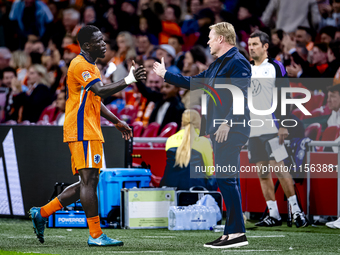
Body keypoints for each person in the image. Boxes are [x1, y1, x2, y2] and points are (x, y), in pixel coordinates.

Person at [29, 25, 146, 246]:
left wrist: (117, 121)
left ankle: (42, 213)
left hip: (88, 128)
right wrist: (129, 80)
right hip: (82, 129)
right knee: (89, 182)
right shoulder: (81, 65)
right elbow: (101, 91)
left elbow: (95, 100)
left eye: (103, 40)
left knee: (89, 181)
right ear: (86, 45)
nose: (104, 44)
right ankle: (95, 235)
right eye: (99, 41)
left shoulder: (90, 66)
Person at [154, 22, 250, 249]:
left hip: (231, 128)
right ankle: (232, 232)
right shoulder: (218, 65)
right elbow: (193, 82)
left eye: (210, 37)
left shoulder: (238, 62)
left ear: (221, 39)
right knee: (227, 180)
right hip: (219, 129)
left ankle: (236, 232)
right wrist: (165, 74)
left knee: (226, 180)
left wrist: (228, 121)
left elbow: (242, 95)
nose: (207, 41)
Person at [247, 31, 308, 228]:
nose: (251, 47)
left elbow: (284, 96)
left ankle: (297, 212)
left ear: (265, 46)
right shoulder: (246, 69)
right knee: (262, 171)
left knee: (279, 168)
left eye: (255, 44)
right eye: (249, 44)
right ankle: (273, 214)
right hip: (254, 129)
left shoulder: (275, 66)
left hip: (273, 127)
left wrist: (283, 124)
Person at [160, 109, 216, 190]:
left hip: (170, 187)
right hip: (196, 189)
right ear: (199, 123)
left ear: (182, 122)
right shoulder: (204, 142)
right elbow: (209, 172)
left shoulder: (170, 140)